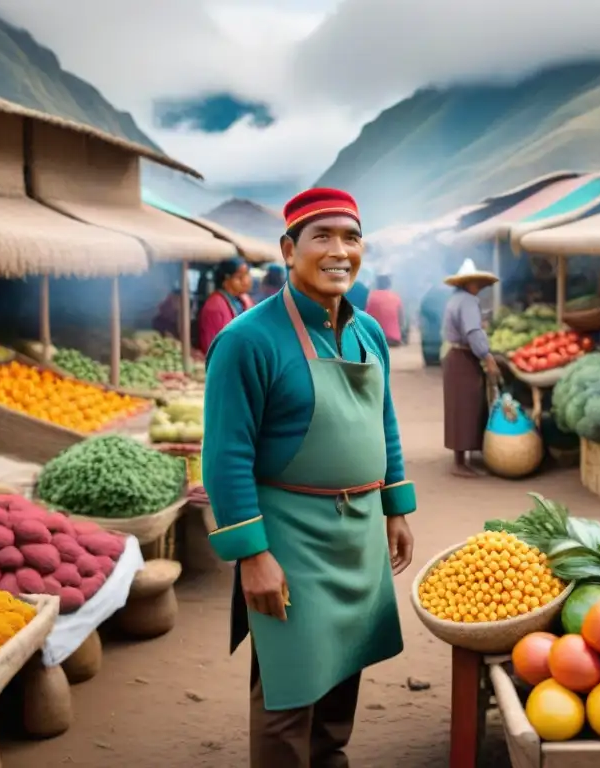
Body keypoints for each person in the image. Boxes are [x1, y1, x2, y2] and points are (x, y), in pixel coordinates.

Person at [202, 187, 417, 768]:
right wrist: (253, 554)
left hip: (359, 531)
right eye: (322, 237)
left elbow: (383, 420)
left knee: (345, 665)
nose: (339, 251)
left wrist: (395, 506)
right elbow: (224, 456)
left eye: (351, 237)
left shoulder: (368, 332)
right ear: (288, 249)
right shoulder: (247, 341)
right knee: (289, 689)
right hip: (290, 536)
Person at [441, 258, 500, 478]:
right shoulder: (467, 301)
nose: (478, 287)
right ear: (468, 283)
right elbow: (473, 332)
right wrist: (487, 356)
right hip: (463, 359)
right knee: (466, 408)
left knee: (459, 408)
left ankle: (462, 458)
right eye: (476, 283)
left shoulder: (456, 299)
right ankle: (460, 464)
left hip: (455, 357)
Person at [197, 256, 254, 353]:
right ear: (226, 281)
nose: (246, 281)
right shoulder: (215, 306)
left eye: (247, 275)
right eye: (239, 277)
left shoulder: (244, 299)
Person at [366, 273, 406, 346]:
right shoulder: (396, 297)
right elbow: (401, 321)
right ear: (389, 285)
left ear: (377, 284)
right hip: (394, 340)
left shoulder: (371, 297)